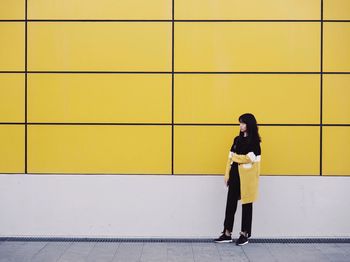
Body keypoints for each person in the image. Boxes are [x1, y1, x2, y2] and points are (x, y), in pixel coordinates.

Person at [214, 113, 261, 246]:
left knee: (247, 204)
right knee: (230, 203)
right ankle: (227, 233)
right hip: (234, 174)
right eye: (240, 123)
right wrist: (226, 174)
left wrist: (236, 157)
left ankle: (244, 234)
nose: (240, 125)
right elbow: (230, 157)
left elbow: (250, 158)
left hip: (248, 177)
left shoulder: (255, 142)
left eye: (243, 123)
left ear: (249, 125)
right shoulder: (237, 140)